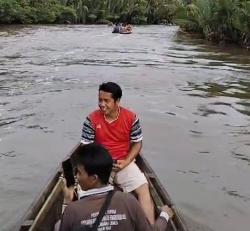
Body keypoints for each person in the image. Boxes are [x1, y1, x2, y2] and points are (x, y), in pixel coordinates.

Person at [81, 82, 155, 224]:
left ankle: (150, 227)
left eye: (106, 101)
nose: (102, 104)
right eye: (100, 100)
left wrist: (126, 161)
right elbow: (86, 148)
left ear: (117, 101)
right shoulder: (90, 120)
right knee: (81, 194)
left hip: (123, 163)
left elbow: (137, 143)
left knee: (143, 189)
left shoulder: (131, 118)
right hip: (99, 166)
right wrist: (101, 164)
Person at [59, 143, 174, 231]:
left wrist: (70, 202)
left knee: (57, 225)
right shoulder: (129, 201)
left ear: (94, 178)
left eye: (79, 173)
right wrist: (164, 215)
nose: (77, 177)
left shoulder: (72, 210)